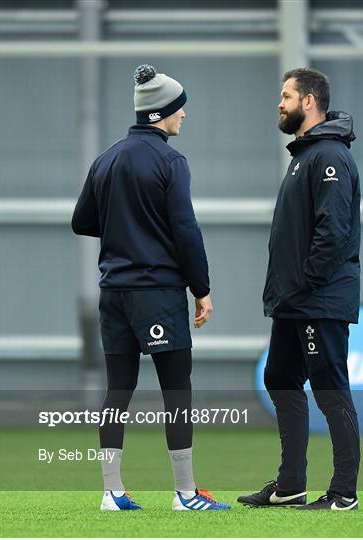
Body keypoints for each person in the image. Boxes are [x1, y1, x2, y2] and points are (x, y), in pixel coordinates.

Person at [72, 64, 230, 512]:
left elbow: (81, 221)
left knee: (117, 391)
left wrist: (124, 226)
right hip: (157, 292)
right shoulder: (170, 161)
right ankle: (185, 494)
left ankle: (111, 493)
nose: (184, 116)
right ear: (161, 113)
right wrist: (202, 289)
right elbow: (186, 230)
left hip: (113, 293)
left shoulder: (105, 159)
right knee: (176, 390)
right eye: (180, 109)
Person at [238, 68, 361, 511]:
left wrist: (306, 283)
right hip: (294, 301)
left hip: (318, 299)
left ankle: (344, 492)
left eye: (286, 95)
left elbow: (333, 230)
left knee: (330, 388)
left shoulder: (329, 156)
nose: (280, 102)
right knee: (280, 377)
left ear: (309, 102)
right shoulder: (304, 155)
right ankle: (291, 486)